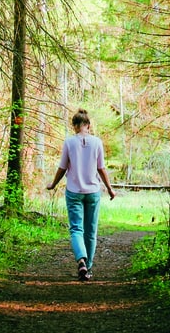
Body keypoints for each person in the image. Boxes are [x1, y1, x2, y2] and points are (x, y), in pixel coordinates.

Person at [46, 108, 117, 281]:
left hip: (74, 191)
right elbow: (101, 168)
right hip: (93, 192)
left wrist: (53, 184)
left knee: (76, 229)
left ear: (75, 126)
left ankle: (81, 261)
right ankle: (89, 268)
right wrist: (109, 188)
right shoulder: (97, 142)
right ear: (88, 125)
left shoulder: (69, 142)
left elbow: (62, 168)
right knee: (90, 231)